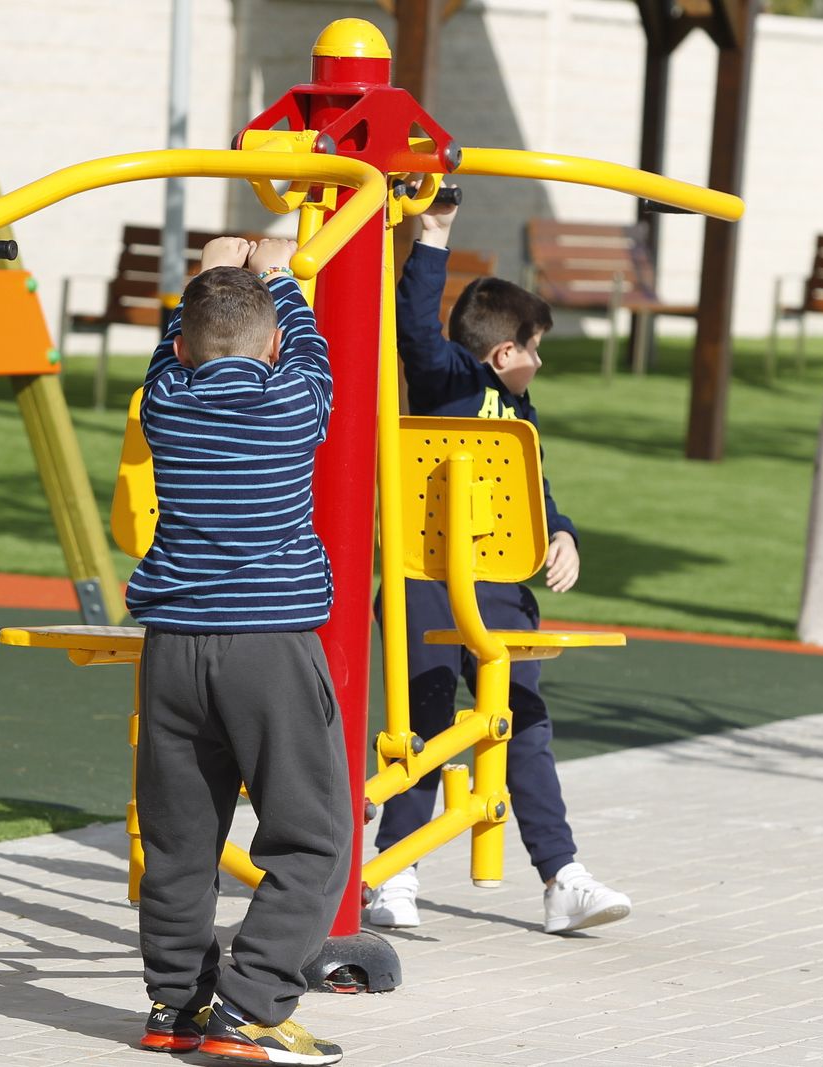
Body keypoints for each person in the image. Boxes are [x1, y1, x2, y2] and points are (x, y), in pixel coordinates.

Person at [364, 191, 633, 936]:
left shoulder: (520, 415)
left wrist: (564, 532)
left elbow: (535, 493)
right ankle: (396, 870)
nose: (539, 361)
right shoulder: (450, 379)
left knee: (524, 721)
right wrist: (434, 233)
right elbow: (414, 325)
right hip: (425, 581)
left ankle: (562, 877)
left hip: (499, 587)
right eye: (534, 347)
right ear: (503, 351)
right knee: (422, 720)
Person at [128, 235, 349, 1064]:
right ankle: (250, 1008)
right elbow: (311, 345)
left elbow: (171, 352)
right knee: (314, 832)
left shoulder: (166, 407)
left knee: (181, 838)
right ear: (273, 347)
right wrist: (283, 273)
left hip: (175, 650)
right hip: (269, 648)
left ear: (182, 348)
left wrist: (203, 273)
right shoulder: (296, 400)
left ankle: (174, 1005)